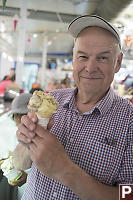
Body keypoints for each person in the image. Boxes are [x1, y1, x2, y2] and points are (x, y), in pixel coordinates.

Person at [16, 15, 133, 200]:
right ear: (73, 59)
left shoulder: (129, 121)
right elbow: (20, 163)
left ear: (118, 62)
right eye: (83, 56)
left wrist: (66, 171)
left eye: (102, 58)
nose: (90, 67)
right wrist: (25, 142)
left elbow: (128, 195)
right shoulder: (52, 100)